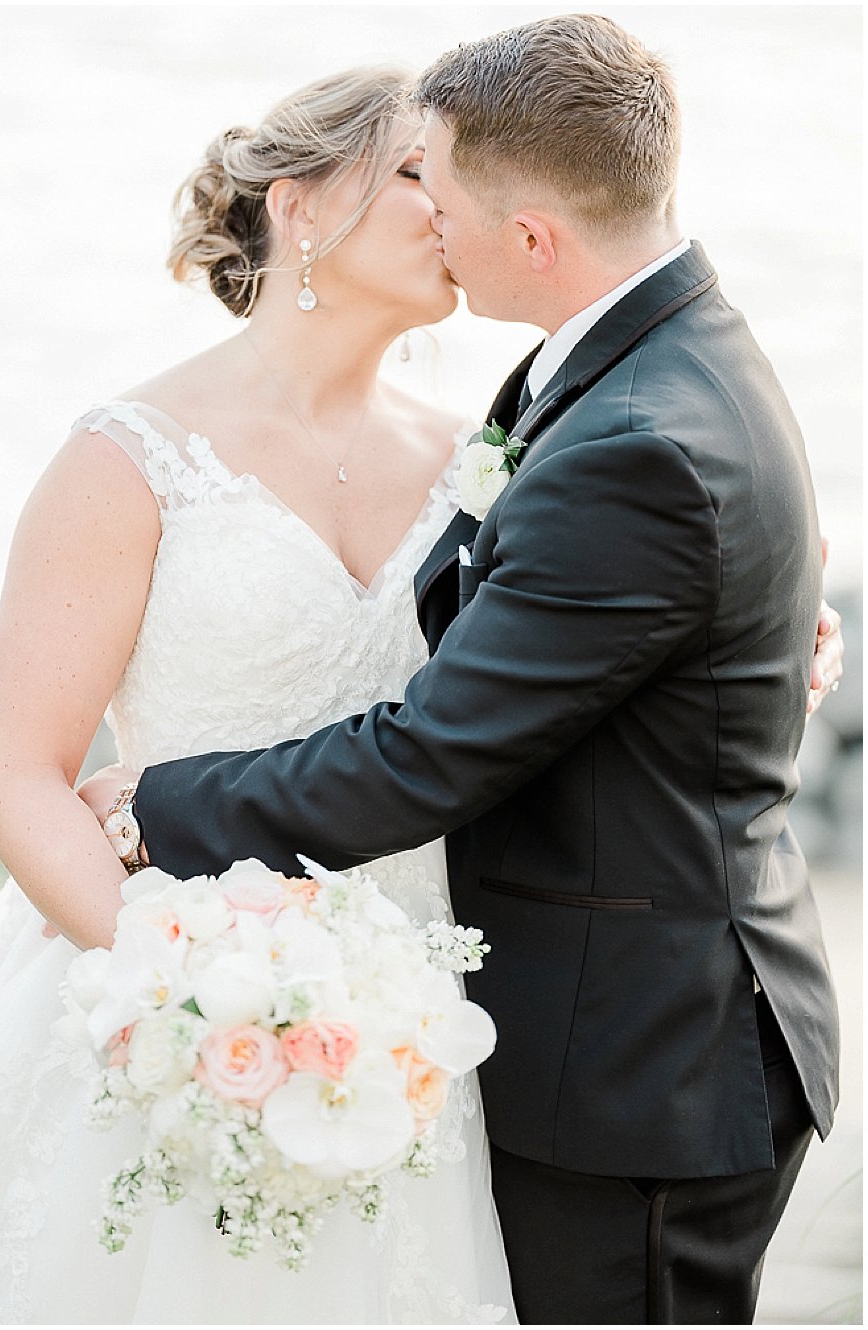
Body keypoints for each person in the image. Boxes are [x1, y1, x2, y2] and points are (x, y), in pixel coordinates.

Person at [80, 16, 845, 1325]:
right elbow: (558, 599)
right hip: (588, 1027)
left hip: (639, 1071)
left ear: (533, 238)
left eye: (436, 178)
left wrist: (158, 803)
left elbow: (431, 752)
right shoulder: (647, 360)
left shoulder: (639, 437)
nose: (427, 207)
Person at [0, 67, 518, 1324]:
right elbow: (12, 769)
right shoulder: (131, 457)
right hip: (158, 992)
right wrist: (178, 997)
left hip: (408, 1022)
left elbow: (621, 591)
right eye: (412, 170)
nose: (453, 202)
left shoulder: (480, 462)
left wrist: (788, 616)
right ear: (300, 204)